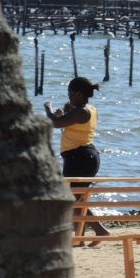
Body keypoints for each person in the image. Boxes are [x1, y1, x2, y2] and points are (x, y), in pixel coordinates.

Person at [45, 76, 109, 239]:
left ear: (79, 94)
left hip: (79, 158)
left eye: (70, 93)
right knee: (76, 198)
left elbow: (56, 123)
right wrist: (62, 116)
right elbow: (66, 127)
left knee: (71, 198)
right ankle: (89, 233)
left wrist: (49, 109)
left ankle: (92, 231)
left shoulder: (81, 111)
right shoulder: (89, 109)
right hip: (83, 156)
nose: (69, 96)